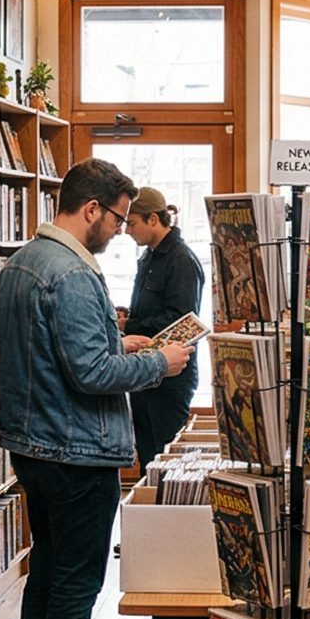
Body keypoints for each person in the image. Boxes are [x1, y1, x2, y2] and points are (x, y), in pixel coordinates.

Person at [0, 159, 190, 619]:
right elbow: (90, 372)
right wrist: (159, 362)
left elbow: (59, 352)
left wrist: (118, 340)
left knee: (48, 575)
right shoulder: (76, 273)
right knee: (77, 583)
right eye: (118, 218)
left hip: (34, 444)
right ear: (91, 210)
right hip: (78, 452)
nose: (120, 231)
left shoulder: (22, 263)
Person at [121, 186, 205, 468]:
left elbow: (181, 320)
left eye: (132, 223)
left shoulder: (181, 260)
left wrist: (129, 325)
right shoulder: (151, 255)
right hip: (147, 370)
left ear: (153, 220)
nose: (127, 231)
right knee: (147, 456)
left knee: (164, 459)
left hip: (170, 378)